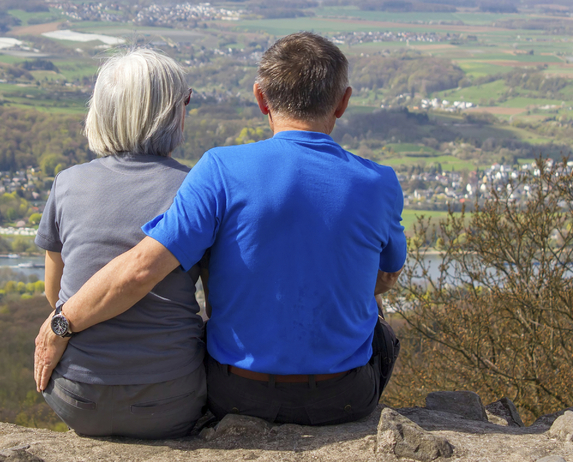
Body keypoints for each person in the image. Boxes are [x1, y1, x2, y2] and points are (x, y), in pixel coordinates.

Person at [36, 32, 405, 426]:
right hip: (346, 397)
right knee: (374, 312)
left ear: (260, 97)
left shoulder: (220, 170)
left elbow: (143, 266)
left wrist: (62, 323)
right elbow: (384, 277)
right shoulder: (379, 182)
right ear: (344, 101)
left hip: (239, 395)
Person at [33, 48, 207, 438]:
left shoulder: (68, 183)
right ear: (169, 113)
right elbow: (221, 304)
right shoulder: (196, 190)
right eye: (185, 101)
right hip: (172, 400)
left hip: (74, 397)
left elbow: (54, 293)